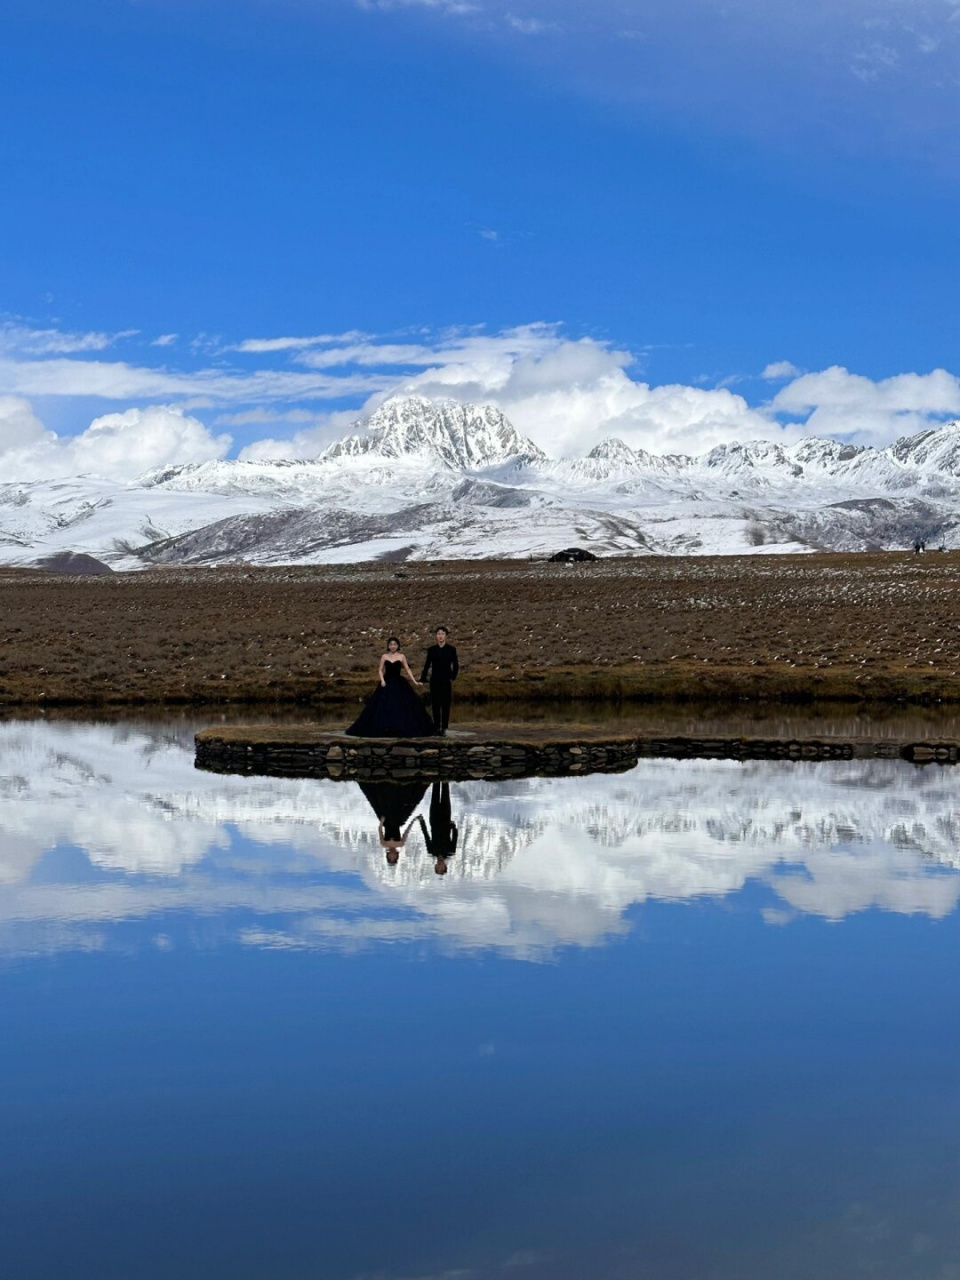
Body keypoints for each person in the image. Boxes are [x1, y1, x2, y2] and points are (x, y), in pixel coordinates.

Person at [346, 636, 435, 737]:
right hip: (387, 682)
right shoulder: (384, 656)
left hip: (399, 682)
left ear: (398, 646)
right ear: (388, 646)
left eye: (395, 645)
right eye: (391, 645)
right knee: (383, 705)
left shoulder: (401, 656)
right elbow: (380, 670)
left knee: (403, 706)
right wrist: (382, 680)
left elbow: (408, 669)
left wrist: (414, 681)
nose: (393, 646)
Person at [357, 780, 428, 864]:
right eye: (393, 857)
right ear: (397, 856)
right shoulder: (400, 844)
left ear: (387, 855)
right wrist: (414, 820)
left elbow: (380, 830)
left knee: (378, 798)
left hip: (386, 821)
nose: (392, 855)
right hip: (398, 819)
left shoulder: (384, 844)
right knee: (408, 799)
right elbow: (406, 832)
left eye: (390, 857)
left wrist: (381, 822)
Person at [420, 626, 459, 736]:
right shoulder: (432, 650)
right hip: (435, 680)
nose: (440, 636)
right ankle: (437, 726)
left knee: (445, 703)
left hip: (446, 680)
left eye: (442, 634)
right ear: (436, 636)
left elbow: (455, 664)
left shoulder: (451, 649)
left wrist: (453, 676)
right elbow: (427, 665)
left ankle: (445, 727)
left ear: (446, 636)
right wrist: (423, 678)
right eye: (438, 634)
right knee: (435, 704)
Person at [418, 781, 459, 876]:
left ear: (435, 866)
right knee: (445, 794)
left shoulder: (431, 851)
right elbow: (455, 837)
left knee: (435, 795)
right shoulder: (450, 851)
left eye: (438, 868)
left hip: (434, 820)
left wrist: (421, 821)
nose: (440, 866)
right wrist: (453, 826)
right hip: (445, 821)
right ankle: (445, 776)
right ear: (445, 866)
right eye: (442, 868)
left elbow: (426, 835)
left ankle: (436, 777)